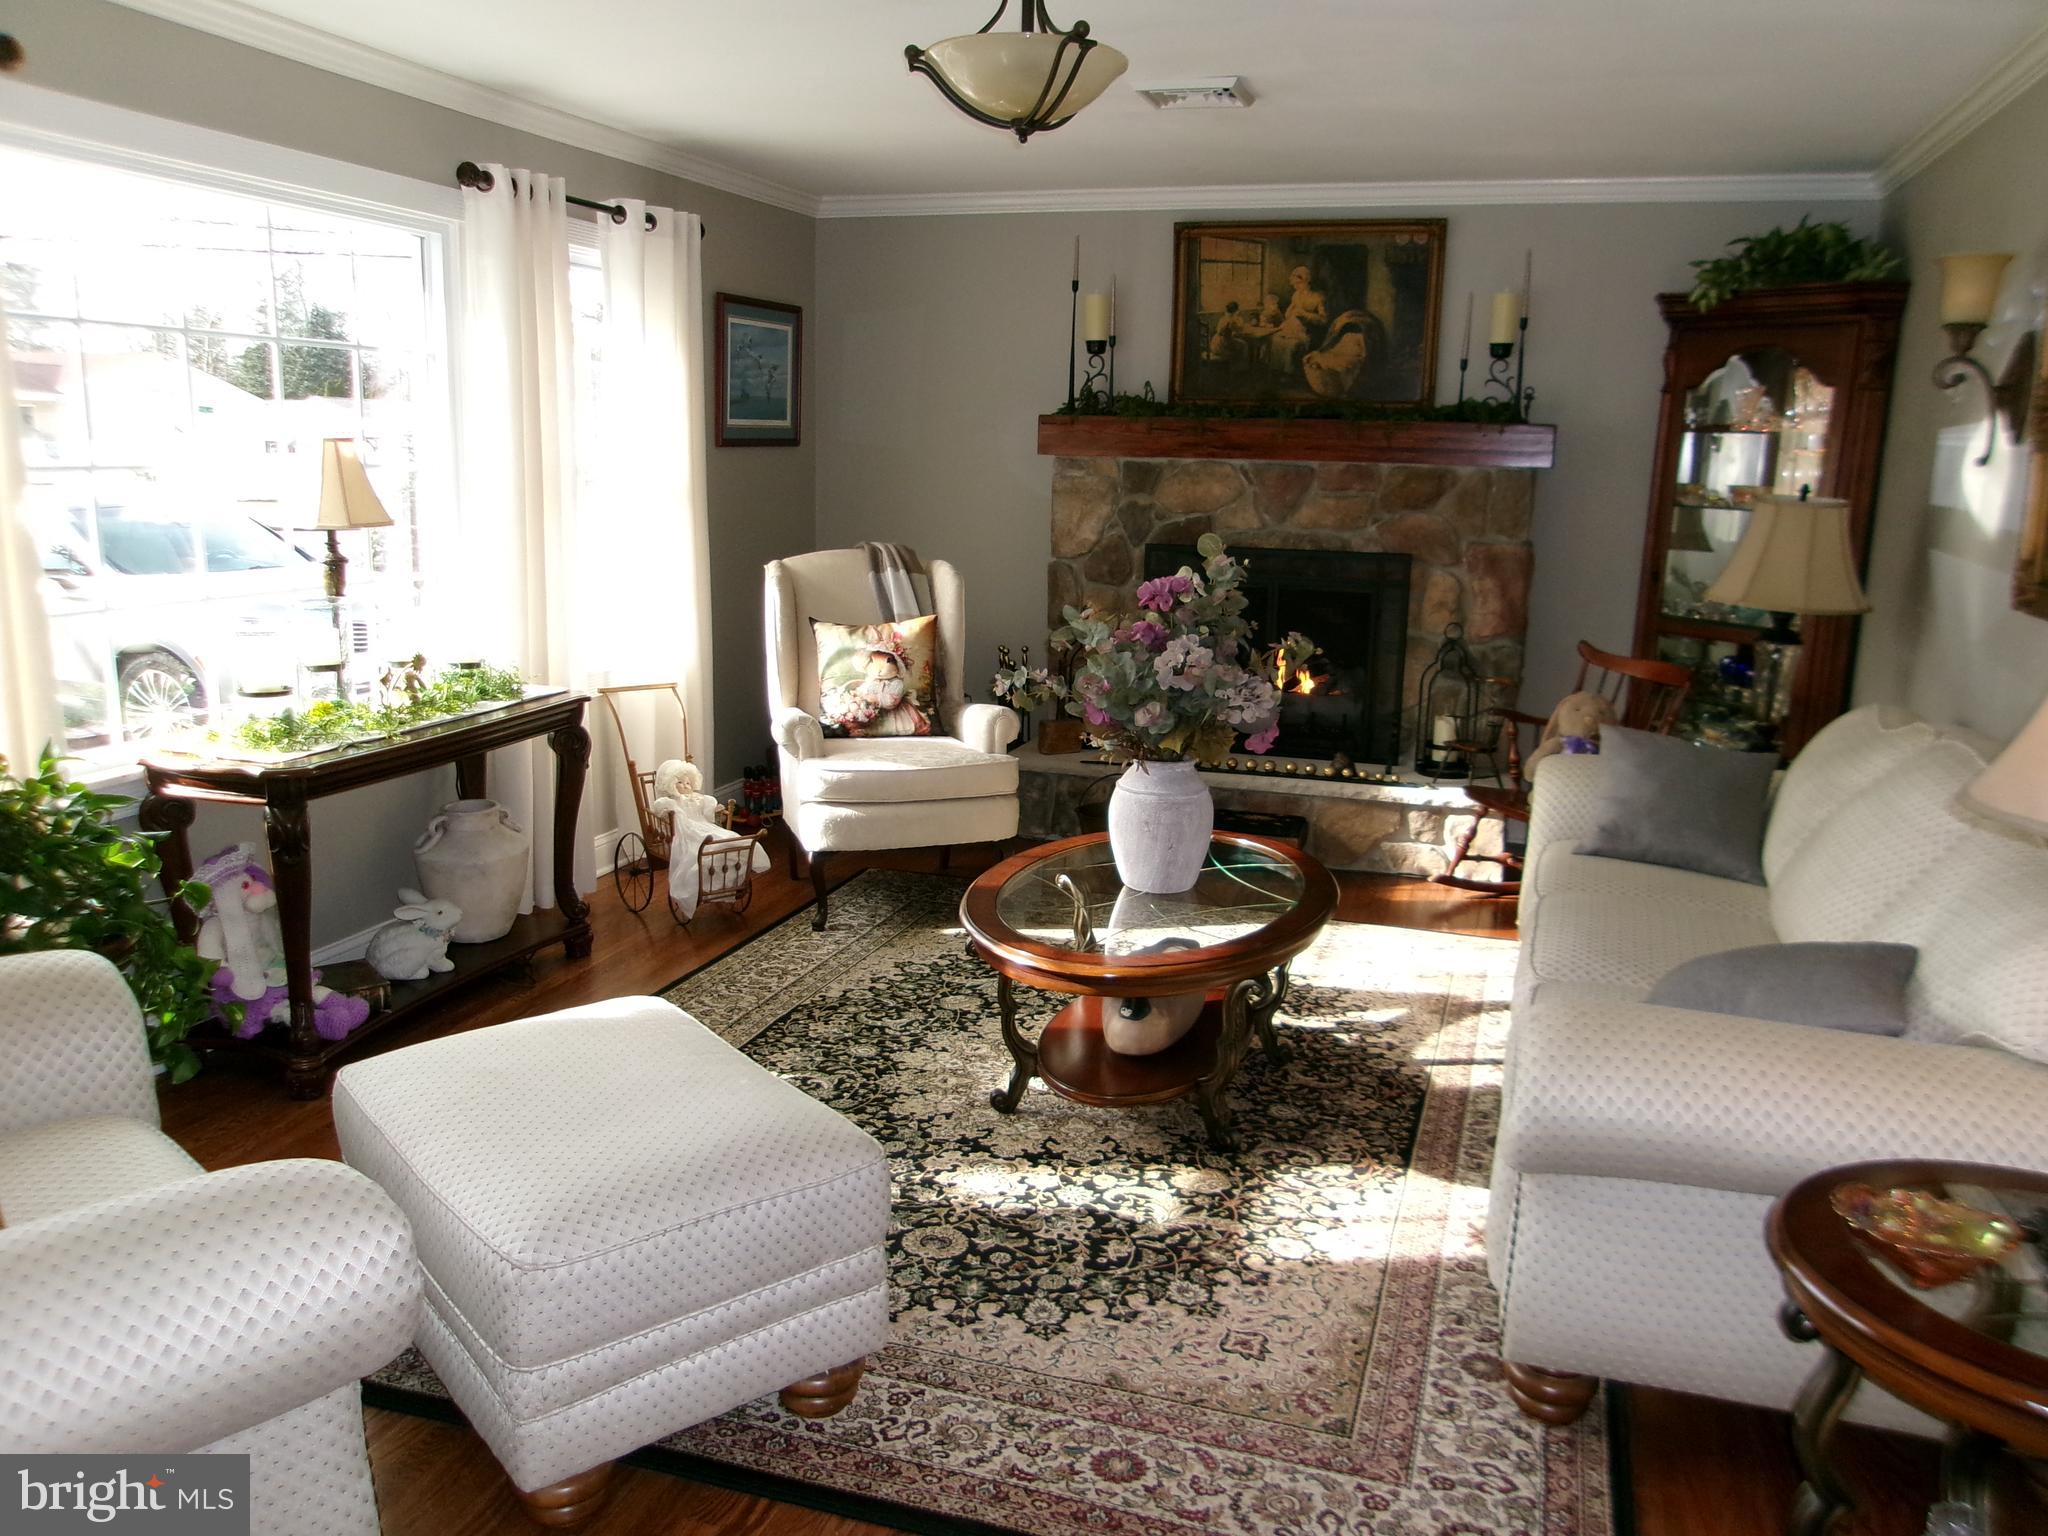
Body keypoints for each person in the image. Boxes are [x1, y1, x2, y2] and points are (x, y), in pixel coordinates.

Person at [1268, 265, 1329, 379]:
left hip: (1309, 331)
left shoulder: (1318, 297)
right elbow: (1289, 313)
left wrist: (1305, 315)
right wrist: (1288, 312)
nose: (1295, 286)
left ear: (1306, 281)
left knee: (1292, 345)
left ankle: (1289, 375)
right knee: (1275, 339)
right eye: (1294, 284)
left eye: (1298, 283)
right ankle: (1277, 371)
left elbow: (1324, 320)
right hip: (1293, 328)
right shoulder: (1296, 294)